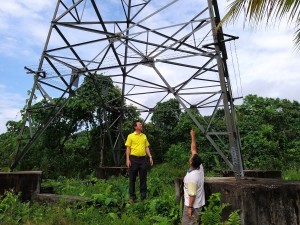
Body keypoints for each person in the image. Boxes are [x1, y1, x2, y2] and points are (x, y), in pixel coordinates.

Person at [125, 120, 153, 202]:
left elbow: (146, 147)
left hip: (143, 159)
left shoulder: (144, 136)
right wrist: (127, 159)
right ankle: (132, 197)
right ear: (135, 127)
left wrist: (150, 156)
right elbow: (128, 148)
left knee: (143, 178)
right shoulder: (130, 136)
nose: (141, 125)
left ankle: (143, 197)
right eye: (140, 124)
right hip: (133, 159)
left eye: (141, 124)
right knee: (132, 178)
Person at [182, 128, 205, 225]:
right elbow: (194, 149)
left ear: (191, 162)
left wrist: (189, 208)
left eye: (191, 157)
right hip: (199, 204)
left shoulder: (192, 177)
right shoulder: (200, 167)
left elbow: (192, 194)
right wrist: (192, 136)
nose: (190, 156)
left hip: (193, 206)